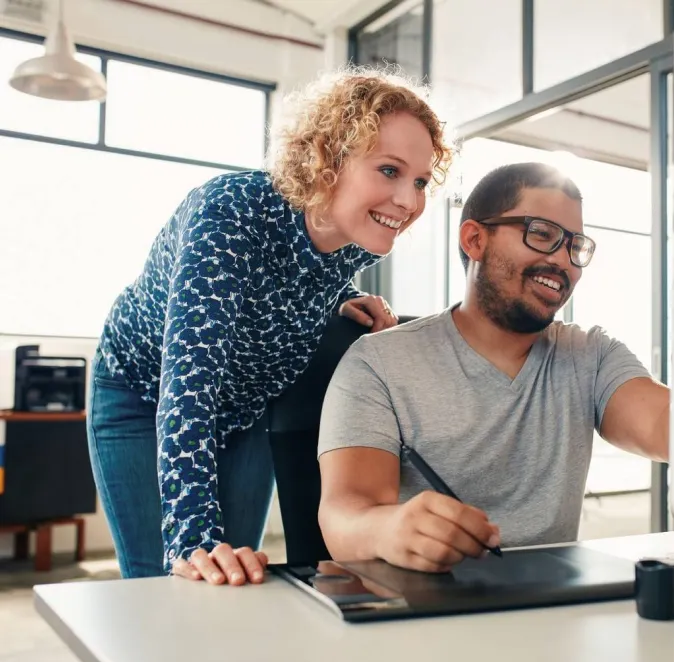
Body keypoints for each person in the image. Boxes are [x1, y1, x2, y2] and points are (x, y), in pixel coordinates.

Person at [86, 67, 454, 584]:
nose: (410, 201)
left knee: (237, 580)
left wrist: (340, 299)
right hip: (145, 398)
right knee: (170, 583)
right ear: (328, 157)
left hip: (244, 411)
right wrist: (193, 541)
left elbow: (284, 278)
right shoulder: (228, 216)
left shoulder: (349, 237)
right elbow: (189, 387)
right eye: (389, 171)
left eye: (419, 181)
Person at [316, 161, 669, 573]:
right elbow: (345, 515)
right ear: (474, 239)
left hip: (551, 614)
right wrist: (388, 528)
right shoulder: (377, 363)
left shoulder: (591, 354)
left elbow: (667, 425)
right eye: (542, 234)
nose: (563, 261)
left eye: (575, 246)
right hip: (425, 615)